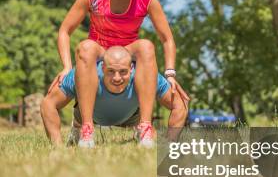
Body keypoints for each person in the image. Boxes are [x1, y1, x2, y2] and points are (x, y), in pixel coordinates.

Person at [48, 0, 189, 148]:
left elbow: (167, 38)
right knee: (86, 46)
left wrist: (170, 74)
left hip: (126, 55)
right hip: (99, 54)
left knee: (146, 46)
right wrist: (67, 66)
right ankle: (86, 129)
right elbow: (64, 31)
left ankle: (146, 128)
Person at [41, 46, 188, 147]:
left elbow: (179, 105)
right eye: (111, 71)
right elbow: (48, 104)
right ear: (102, 67)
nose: (117, 78)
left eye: (123, 71)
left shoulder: (146, 75)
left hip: (132, 116)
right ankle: (78, 129)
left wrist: (171, 143)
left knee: (153, 140)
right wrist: (57, 147)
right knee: (79, 116)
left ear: (131, 69)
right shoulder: (83, 73)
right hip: (90, 114)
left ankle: (141, 133)